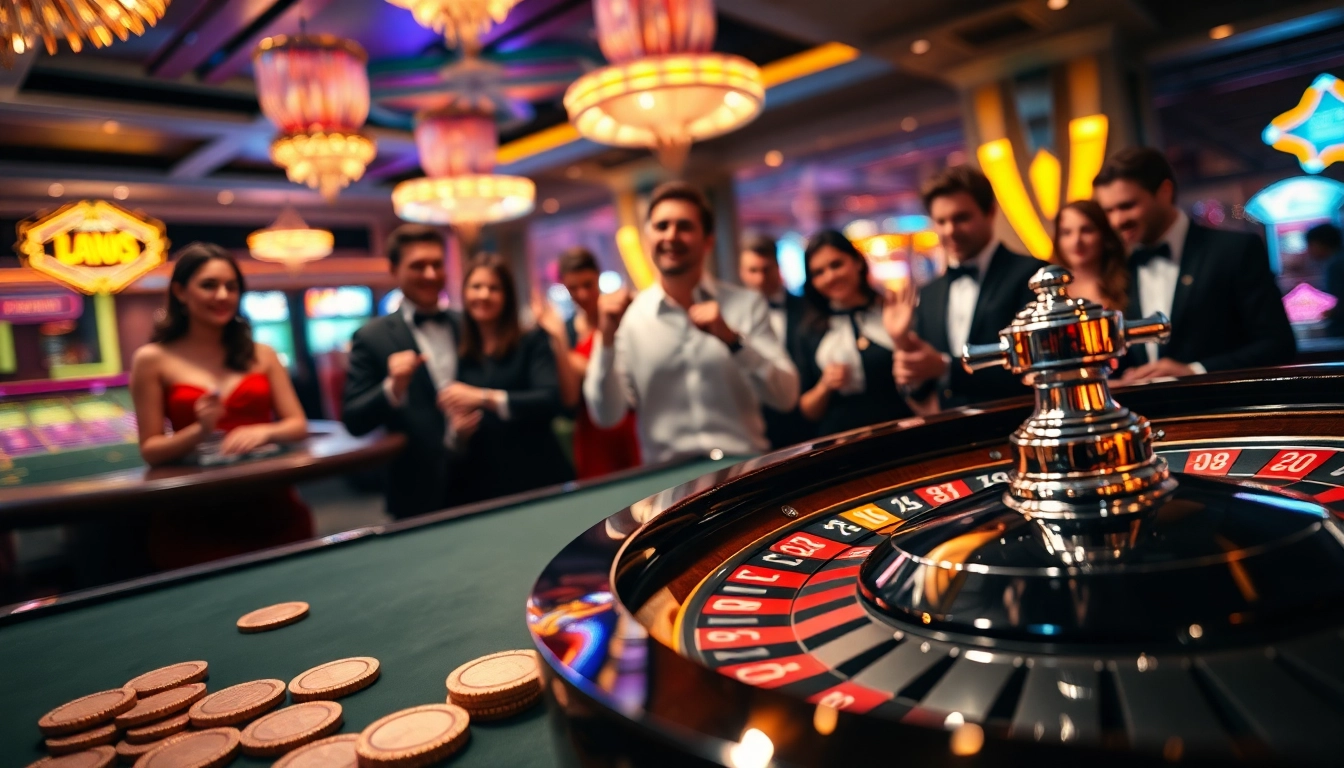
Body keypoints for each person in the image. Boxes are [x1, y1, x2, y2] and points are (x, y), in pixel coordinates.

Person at [584, 182, 799, 462]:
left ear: (708, 240)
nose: (671, 236)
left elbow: (786, 397)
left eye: (684, 226)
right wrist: (606, 339)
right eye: (661, 226)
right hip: (666, 482)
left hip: (743, 467)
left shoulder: (746, 305)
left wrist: (734, 341)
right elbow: (606, 416)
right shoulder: (629, 318)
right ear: (648, 236)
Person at [129, 242, 311, 568]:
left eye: (232, 286)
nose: (223, 295)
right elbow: (151, 449)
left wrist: (264, 431)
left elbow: (298, 424)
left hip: (271, 503)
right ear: (181, 292)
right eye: (209, 285)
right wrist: (201, 430)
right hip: (195, 513)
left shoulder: (263, 354)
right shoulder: (152, 359)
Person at [1093, 147, 1296, 382]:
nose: (1117, 220)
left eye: (1127, 206)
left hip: (1223, 410)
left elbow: (1278, 345)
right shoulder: (1119, 266)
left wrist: (1195, 370)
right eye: (1108, 210)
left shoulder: (1235, 250)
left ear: (1165, 191)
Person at [892, 166, 1041, 409]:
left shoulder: (1031, 275)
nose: (950, 230)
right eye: (941, 221)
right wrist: (910, 366)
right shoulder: (929, 294)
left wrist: (945, 368)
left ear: (990, 212)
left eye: (961, 218)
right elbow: (924, 391)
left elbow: (1035, 368)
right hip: (951, 437)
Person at [343, 224, 463, 519]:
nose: (431, 275)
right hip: (416, 489)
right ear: (394, 270)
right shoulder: (371, 337)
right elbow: (354, 419)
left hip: (485, 480)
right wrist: (393, 387)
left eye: (437, 264)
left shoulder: (467, 323)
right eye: (418, 266)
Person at [440, 254, 573, 504]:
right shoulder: (461, 351)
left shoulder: (531, 340)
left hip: (536, 473)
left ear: (507, 296)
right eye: (476, 286)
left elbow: (549, 400)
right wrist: (457, 435)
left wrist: (481, 397)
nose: (484, 295)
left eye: (494, 288)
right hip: (484, 480)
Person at [532, 248, 641, 479]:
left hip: (628, 425)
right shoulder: (568, 330)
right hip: (591, 434)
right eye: (573, 288)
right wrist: (560, 340)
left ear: (598, 277)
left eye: (587, 284)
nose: (582, 294)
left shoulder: (620, 317)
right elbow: (570, 398)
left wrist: (576, 362)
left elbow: (622, 375)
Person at [794, 230, 914, 437]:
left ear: (857, 262)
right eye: (818, 272)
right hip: (841, 443)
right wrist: (825, 386)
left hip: (901, 432)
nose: (830, 277)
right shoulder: (809, 331)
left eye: (836, 265)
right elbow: (806, 410)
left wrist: (901, 338)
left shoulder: (891, 311)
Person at [738, 231, 811, 448]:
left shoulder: (807, 309)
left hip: (805, 423)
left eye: (766, 269)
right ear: (741, 272)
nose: (760, 278)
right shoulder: (730, 315)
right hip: (753, 427)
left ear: (778, 268)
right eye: (753, 270)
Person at [1052, 200, 1128, 311]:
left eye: (1086, 230)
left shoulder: (1130, 281)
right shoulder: (1048, 290)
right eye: (1066, 232)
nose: (1076, 241)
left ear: (1104, 235)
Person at [1306, 223, 1344, 338]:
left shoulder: (1335, 265)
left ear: (1319, 244)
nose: (1309, 251)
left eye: (1310, 245)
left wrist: (1330, 313)